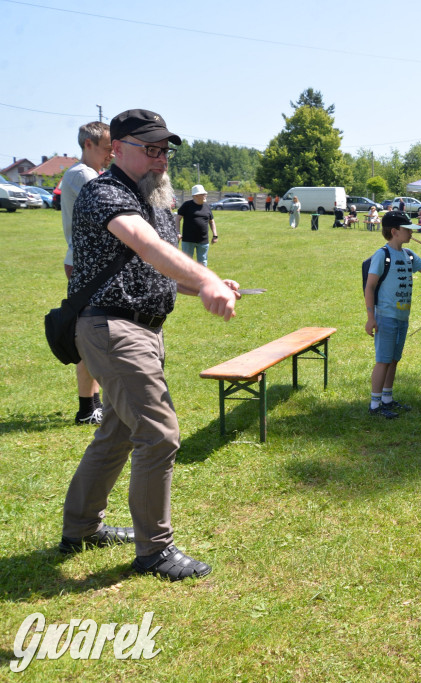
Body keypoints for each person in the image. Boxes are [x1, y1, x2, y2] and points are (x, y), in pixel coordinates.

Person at [59, 108, 240, 582]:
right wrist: (203, 277)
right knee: (159, 434)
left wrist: (206, 281)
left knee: (118, 432)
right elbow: (144, 245)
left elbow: (157, 267)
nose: (161, 160)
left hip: (142, 329)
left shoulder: (155, 198)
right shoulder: (104, 193)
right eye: (150, 149)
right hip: (113, 329)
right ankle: (155, 551)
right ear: (117, 149)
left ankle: (80, 527)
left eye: (165, 150)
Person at [364, 211, 421, 418]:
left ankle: (387, 399)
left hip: (402, 318)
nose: (411, 233)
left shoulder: (409, 255)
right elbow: (369, 287)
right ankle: (375, 405)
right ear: (395, 232)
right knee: (383, 360)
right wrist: (371, 318)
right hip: (385, 316)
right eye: (407, 230)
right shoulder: (382, 255)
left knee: (394, 359)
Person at [61, 121, 113, 425]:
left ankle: (93, 404)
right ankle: (87, 407)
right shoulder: (82, 175)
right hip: (83, 263)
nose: (110, 154)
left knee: (93, 333)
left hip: (83, 261)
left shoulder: (89, 174)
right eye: (107, 148)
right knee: (92, 335)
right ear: (88, 145)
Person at [176, 184, 218, 266]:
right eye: (203, 194)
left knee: (203, 262)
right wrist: (178, 232)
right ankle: (186, 278)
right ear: (196, 196)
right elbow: (178, 219)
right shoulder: (186, 205)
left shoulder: (207, 207)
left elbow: (212, 222)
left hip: (203, 241)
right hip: (188, 240)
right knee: (186, 262)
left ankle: (202, 279)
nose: (205, 195)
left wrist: (215, 235)